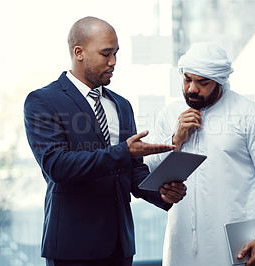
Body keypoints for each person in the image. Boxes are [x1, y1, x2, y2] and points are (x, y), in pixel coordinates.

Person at [23, 16, 187, 266]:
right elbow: (57, 165)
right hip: (72, 246)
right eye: (106, 54)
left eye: (116, 54)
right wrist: (124, 151)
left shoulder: (121, 105)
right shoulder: (42, 101)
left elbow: (132, 169)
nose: (113, 62)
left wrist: (161, 193)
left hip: (119, 246)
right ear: (79, 52)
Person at [146, 42, 255, 266]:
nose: (192, 88)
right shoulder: (169, 115)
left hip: (237, 240)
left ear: (219, 80)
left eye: (202, 82)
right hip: (181, 238)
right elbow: (151, 172)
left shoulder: (252, 115)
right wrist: (176, 139)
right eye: (187, 79)